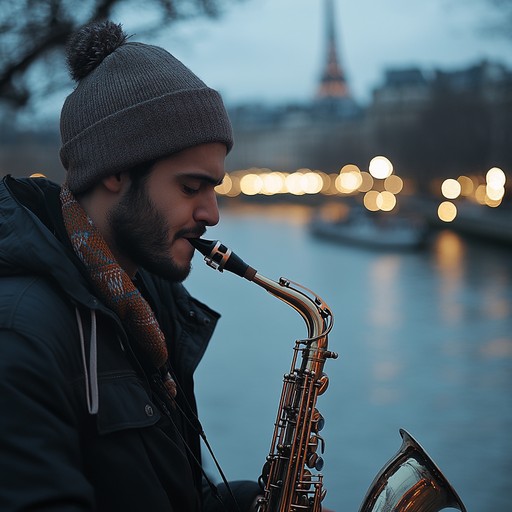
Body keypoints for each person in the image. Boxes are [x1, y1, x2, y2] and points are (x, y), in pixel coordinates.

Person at [0, 20, 261, 511]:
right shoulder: (20, 334)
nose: (212, 214)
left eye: (214, 188)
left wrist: (252, 503)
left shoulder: (147, 302)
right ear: (115, 172)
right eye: (190, 187)